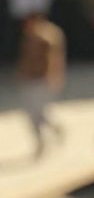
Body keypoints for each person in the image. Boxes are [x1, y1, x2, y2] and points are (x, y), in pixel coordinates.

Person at [16, 14, 65, 157]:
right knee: (31, 113)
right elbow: (24, 58)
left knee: (39, 112)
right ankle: (42, 140)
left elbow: (54, 59)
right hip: (29, 79)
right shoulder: (28, 38)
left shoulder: (46, 38)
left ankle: (52, 131)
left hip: (42, 79)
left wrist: (54, 76)